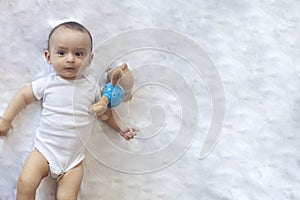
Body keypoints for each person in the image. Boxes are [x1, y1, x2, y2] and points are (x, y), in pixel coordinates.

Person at [0, 21, 137, 200]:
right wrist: (6, 120)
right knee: (25, 183)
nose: (70, 59)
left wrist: (120, 127)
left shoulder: (92, 88)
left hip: (73, 161)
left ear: (90, 59)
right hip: (44, 151)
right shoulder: (48, 83)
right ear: (48, 57)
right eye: (62, 53)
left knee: (68, 196)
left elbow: (104, 112)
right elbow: (23, 96)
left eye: (79, 54)